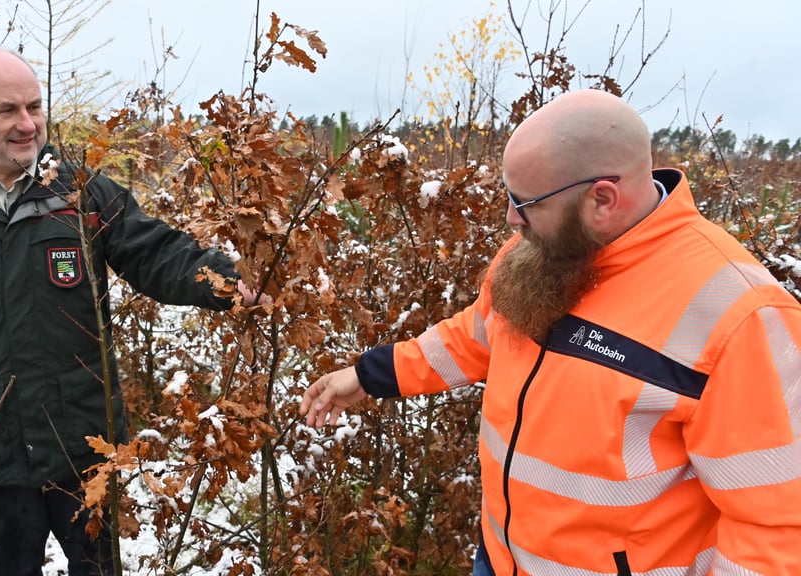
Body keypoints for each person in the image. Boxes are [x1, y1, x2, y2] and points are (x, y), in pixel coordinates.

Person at [300, 89, 801, 574]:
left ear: (602, 199)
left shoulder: (738, 315)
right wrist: (368, 376)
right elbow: (474, 337)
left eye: (525, 201)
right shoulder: (539, 255)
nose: (510, 217)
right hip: (499, 559)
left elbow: (776, 528)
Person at [0, 47, 263, 575]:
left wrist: (226, 281)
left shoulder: (80, 193)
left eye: (35, 107)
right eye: (7, 110)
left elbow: (154, 252)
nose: (28, 125)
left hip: (82, 441)